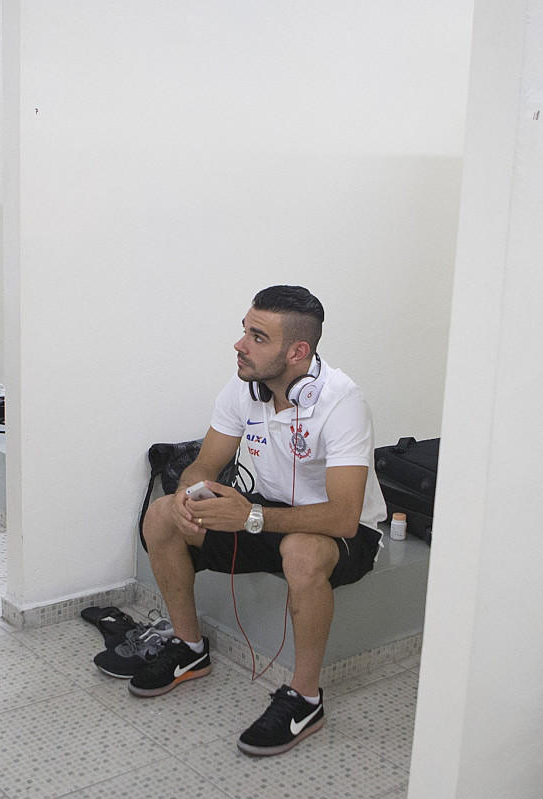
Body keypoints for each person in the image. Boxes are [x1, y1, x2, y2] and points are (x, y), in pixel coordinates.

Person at [133, 285, 385, 755]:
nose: (240, 344)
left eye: (257, 336)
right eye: (244, 330)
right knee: (161, 516)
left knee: (302, 549)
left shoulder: (343, 402)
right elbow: (204, 465)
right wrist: (190, 497)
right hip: (262, 513)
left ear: (297, 352)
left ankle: (306, 698)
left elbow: (346, 517)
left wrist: (248, 515)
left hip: (336, 532)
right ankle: (188, 650)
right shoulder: (243, 386)